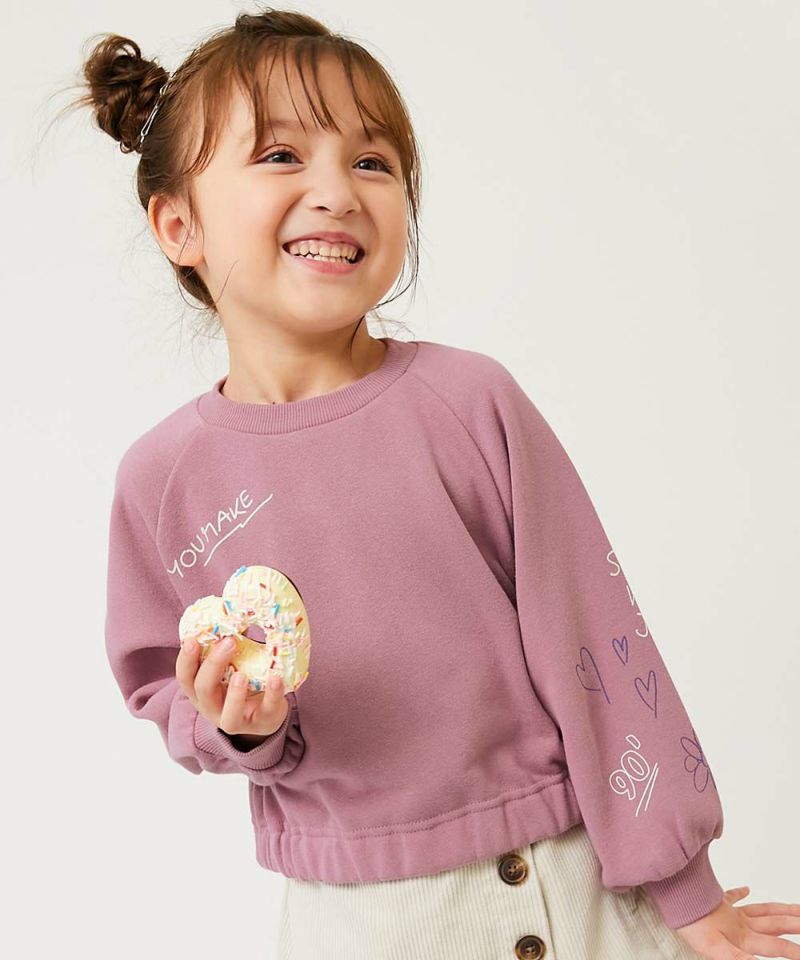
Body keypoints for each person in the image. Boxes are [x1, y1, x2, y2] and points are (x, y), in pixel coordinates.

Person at [74, 7, 798, 959]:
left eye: (372, 162)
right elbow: (160, 686)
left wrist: (684, 887)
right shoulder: (163, 480)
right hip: (353, 921)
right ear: (179, 226)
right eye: (282, 155)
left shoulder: (468, 402)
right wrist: (238, 727)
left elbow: (595, 638)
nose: (337, 191)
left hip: (562, 882)